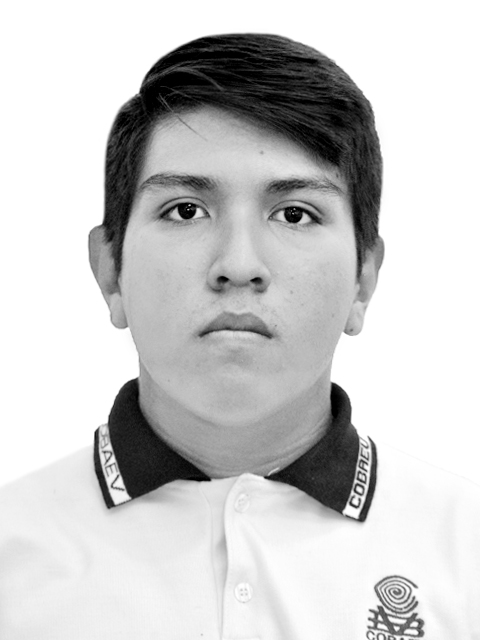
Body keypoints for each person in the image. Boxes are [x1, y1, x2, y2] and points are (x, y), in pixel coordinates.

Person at [0, 33, 479, 639]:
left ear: (363, 279)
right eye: (185, 210)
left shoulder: (466, 552)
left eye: (295, 213)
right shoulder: (12, 558)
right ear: (110, 270)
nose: (239, 264)